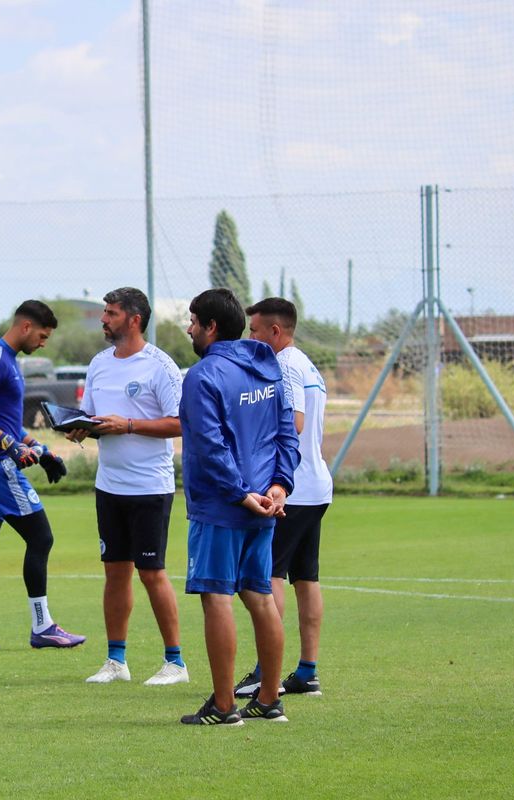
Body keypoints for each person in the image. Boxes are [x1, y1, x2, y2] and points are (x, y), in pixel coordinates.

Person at [177, 288, 299, 726]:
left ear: (210, 327)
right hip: (263, 506)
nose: (189, 329)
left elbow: (210, 447)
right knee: (260, 596)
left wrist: (239, 493)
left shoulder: (202, 376)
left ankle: (225, 706)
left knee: (216, 599)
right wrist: (280, 486)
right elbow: (287, 435)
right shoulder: (268, 367)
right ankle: (269, 700)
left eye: (193, 322)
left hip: (221, 507)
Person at [0, 300, 84, 651]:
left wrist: (43, 450)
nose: (43, 343)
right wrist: (9, 446)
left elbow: (5, 421)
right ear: (25, 327)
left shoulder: (10, 362)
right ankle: (43, 626)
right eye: (42, 335)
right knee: (41, 538)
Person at [69, 288, 187, 686]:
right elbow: (93, 416)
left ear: (134, 319)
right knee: (115, 573)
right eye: (104, 312)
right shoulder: (99, 364)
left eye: (111, 313)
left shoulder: (161, 366)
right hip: (110, 485)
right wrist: (81, 428)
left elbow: (180, 422)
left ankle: (176, 662)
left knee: (152, 572)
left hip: (149, 486)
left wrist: (130, 425)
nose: (104, 319)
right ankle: (116, 661)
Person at [235, 297, 331, 698]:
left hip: (292, 488)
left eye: (255, 330)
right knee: (305, 577)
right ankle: (307, 671)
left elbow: (294, 422)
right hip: (315, 485)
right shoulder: (306, 364)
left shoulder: (286, 366)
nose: (250, 337)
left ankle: (263, 671)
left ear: (275, 331)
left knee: (268, 575)